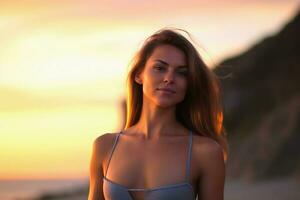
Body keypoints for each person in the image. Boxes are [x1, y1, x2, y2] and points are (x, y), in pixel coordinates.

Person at [88, 28, 228, 200]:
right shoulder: (105, 146)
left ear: (189, 83)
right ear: (139, 74)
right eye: (160, 68)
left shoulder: (205, 152)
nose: (169, 78)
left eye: (182, 72)